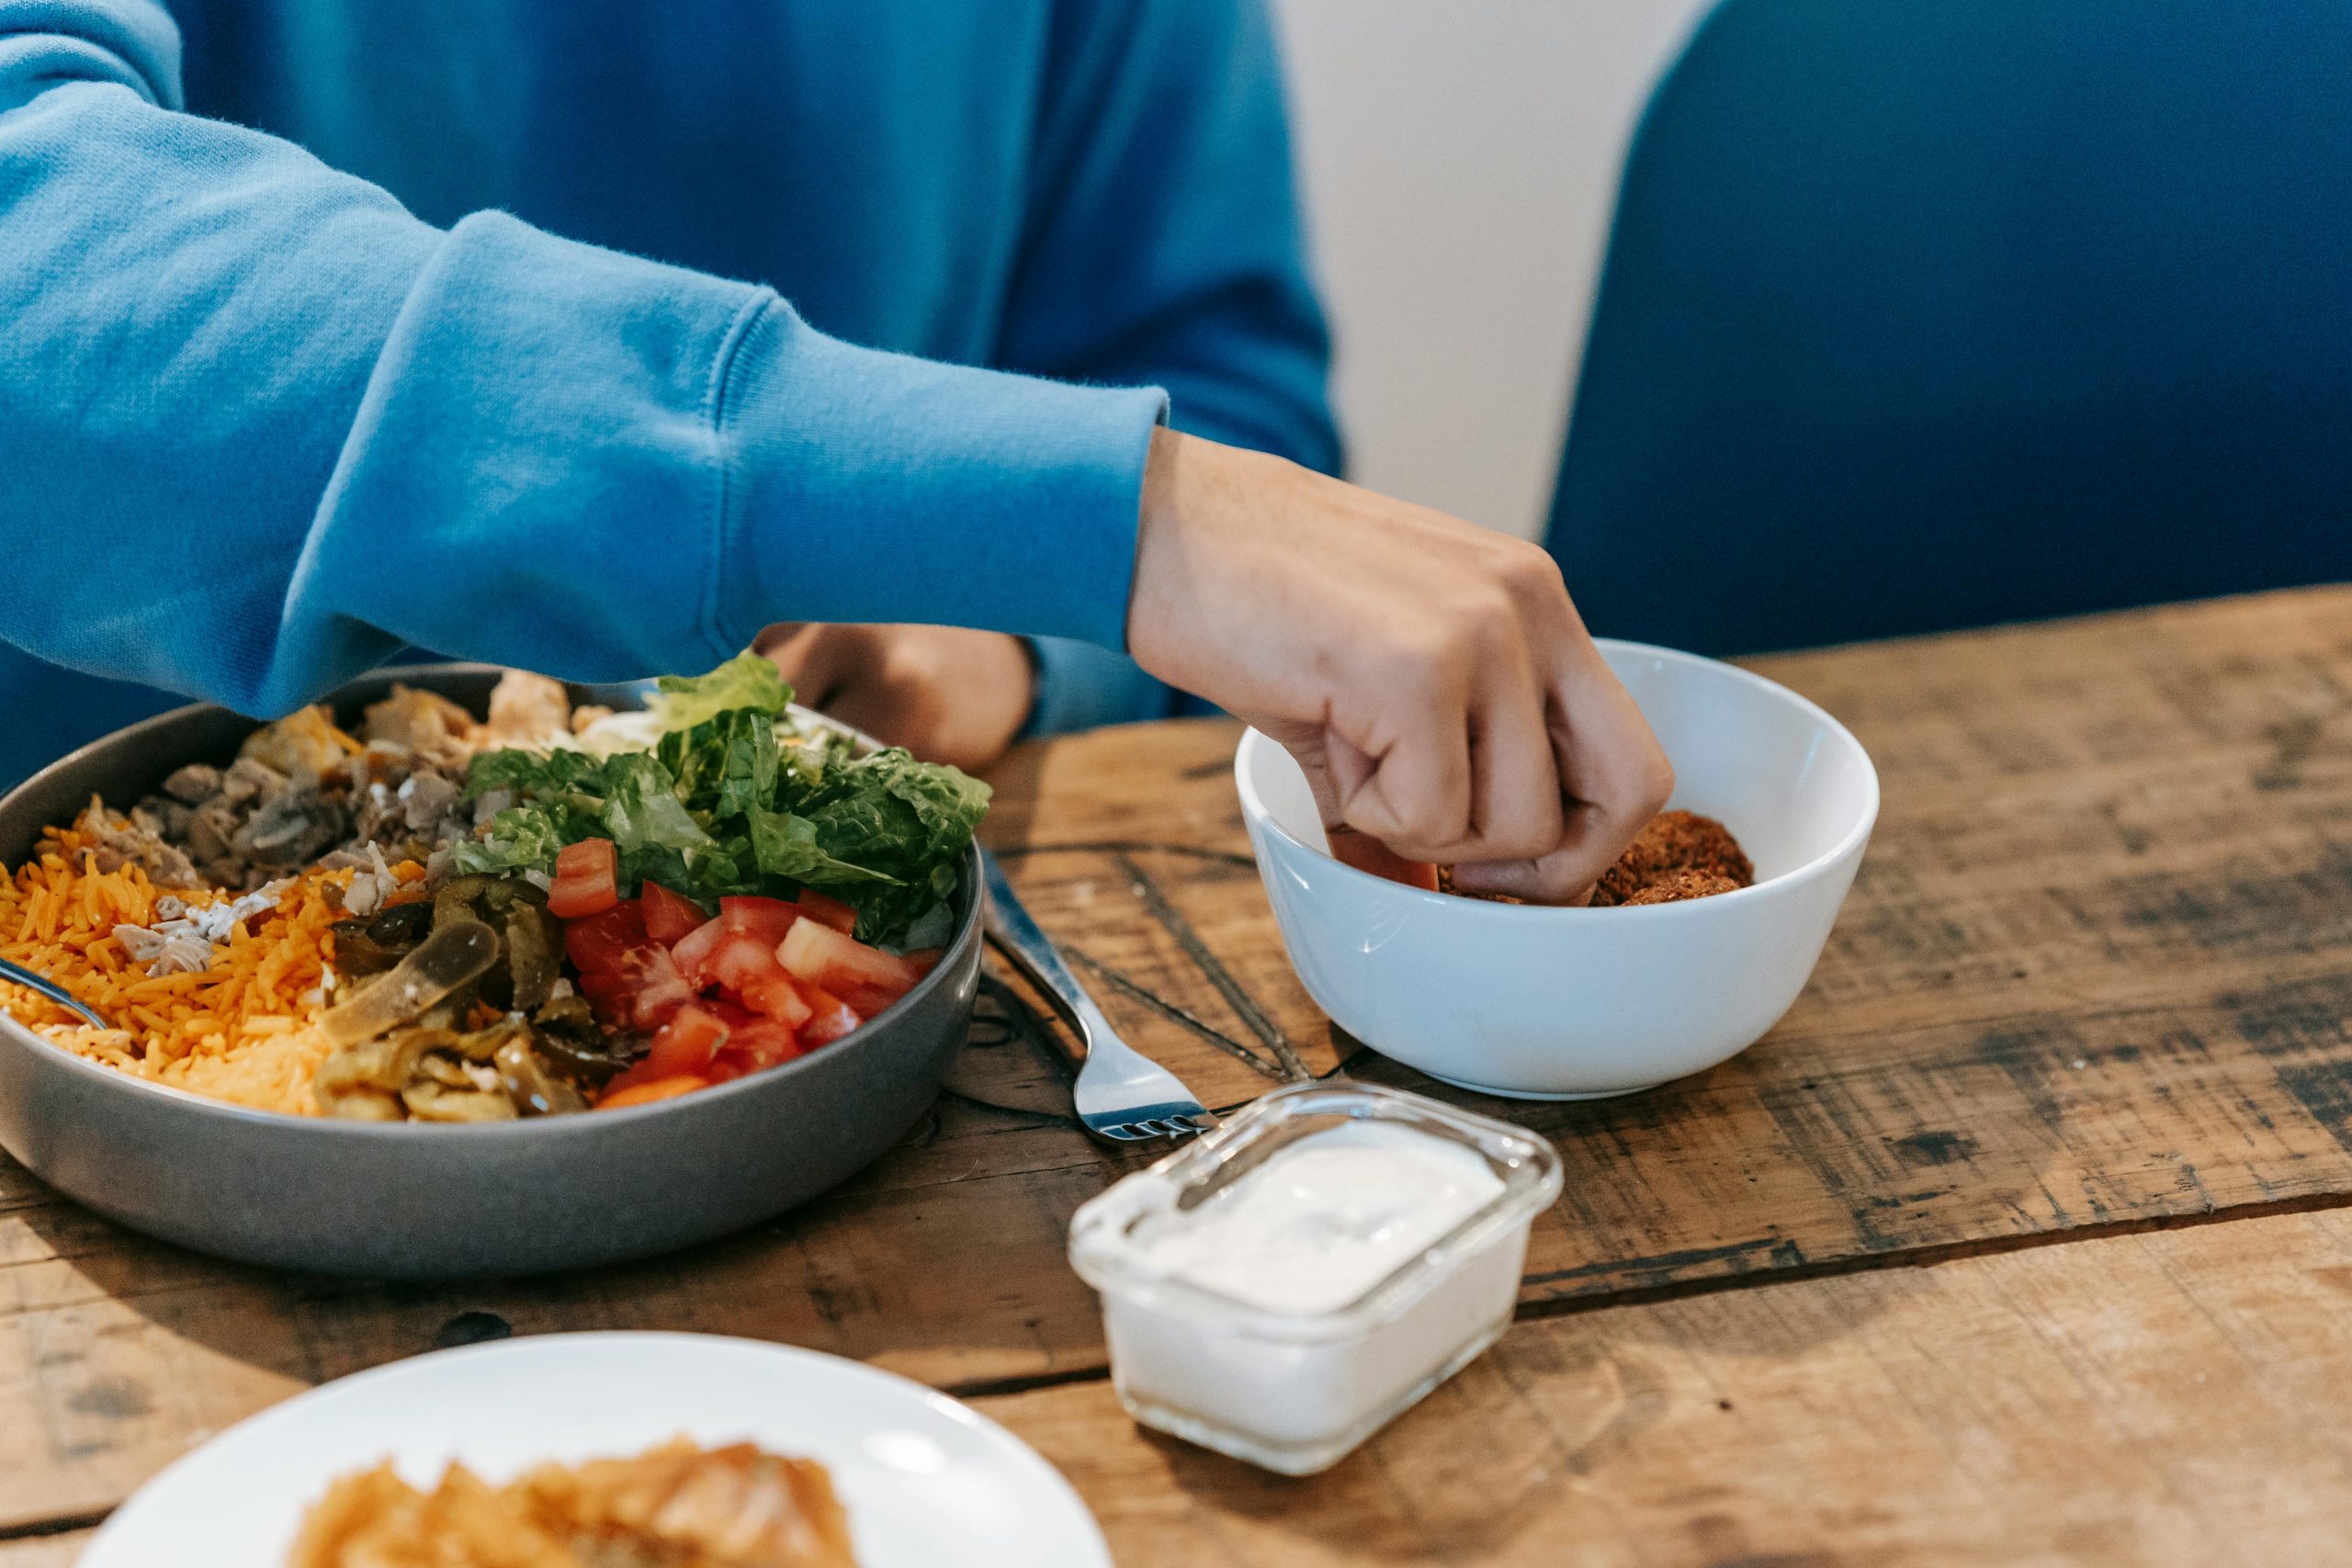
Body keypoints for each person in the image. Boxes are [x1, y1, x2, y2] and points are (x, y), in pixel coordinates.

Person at [0, 0, 1668, 901]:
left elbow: (1207, 370)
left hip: (837, 1052)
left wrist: (1002, 631)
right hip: (112, 996)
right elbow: (38, 259)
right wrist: (1110, 520)